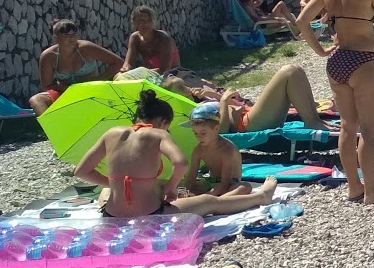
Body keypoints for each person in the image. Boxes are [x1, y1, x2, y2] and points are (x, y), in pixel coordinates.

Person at [74, 88, 277, 218]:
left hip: (112, 216)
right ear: (163, 122)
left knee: (106, 192)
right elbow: (181, 163)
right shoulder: (158, 134)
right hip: (151, 213)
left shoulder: (112, 133)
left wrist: (114, 184)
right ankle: (261, 197)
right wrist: (171, 189)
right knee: (209, 203)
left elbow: (82, 171)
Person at [296, 0, 374, 206]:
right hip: (364, 59)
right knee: (370, 131)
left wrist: (319, 50)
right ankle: (371, 192)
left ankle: (353, 186)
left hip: (337, 61)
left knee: (348, 126)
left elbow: (302, 21)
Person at [182, 100, 287, 206]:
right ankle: (219, 201)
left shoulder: (226, 149)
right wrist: (183, 192)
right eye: (195, 133)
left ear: (216, 129)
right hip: (211, 181)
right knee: (183, 185)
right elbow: (191, 176)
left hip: (230, 183)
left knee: (244, 187)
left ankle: (212, 202)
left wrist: (208, 195)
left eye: (203, 133)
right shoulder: (198, 150)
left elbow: (225, 182)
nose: (198, 136)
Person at [31, 19, 123, 116]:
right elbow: (47, 85)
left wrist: (97, 80)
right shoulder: (48, 56)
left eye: (74, 34)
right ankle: (50, 128)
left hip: (92, 90)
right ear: (56, 38)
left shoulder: (86, 48)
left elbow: (118, 63)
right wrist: (68, 89)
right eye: (66, 35)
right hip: (66, 92)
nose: (72, 38)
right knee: (36, 100)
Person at [216, 63, 326, 133]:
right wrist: (224, 100)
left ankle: (315, 119)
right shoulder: (201, 112)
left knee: (297, 70)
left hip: (253, 116)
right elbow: (221, 132)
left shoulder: (204, 101)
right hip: (247, 124)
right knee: (288, 71)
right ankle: (311, 122)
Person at [122, 6, 180, 74]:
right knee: (118, 76)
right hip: (150, 73)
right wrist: (125, 70)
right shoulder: (135, 38)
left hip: (172, 74)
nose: (146, 24)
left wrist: (139, 73)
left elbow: (165, 70)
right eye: (141, 21)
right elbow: (128, 63)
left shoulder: (163, 38)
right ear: (135, 23)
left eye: (149, 20)